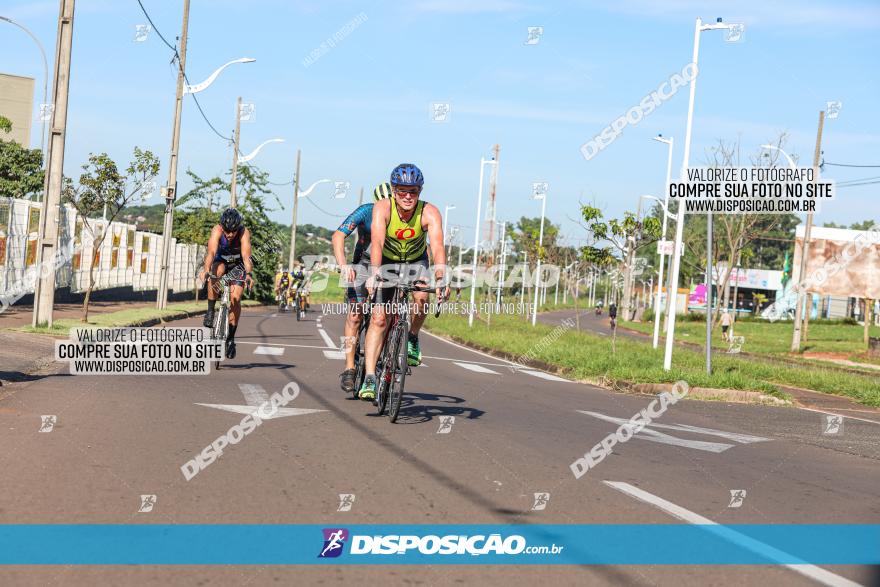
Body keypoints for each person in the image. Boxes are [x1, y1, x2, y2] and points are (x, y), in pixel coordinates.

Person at [359, 164, 449, 400]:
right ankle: (369, 376)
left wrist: (441, 278)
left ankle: (412, 336)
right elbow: (377, 242)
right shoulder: (383, 208)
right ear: (393, 190)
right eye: (402, 191)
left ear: (420, 191)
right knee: (379, 319)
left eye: (413, 191)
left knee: (421, 297)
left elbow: (438, 247)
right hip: (387, 261)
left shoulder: (430, 212)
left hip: (415, 262)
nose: (408, 197)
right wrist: (374, 273)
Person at [332, 182, 392, 394]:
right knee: (355, 316)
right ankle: (349, 367)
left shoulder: (401, 217)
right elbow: (338, 235)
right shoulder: (365, 211)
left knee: (383, 317)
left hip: (389, 267)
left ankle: (381, 358)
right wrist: (343, 265)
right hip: (363, 264)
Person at [201, 208, 254, 359]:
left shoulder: (244, 232)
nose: (230, 234)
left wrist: (249, 274)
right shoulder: (217, 230)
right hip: (221, 261)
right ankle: (210, 311)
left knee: (235, 298)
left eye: (233, 231)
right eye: (227, 231)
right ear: (222, 227)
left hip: (238, 265)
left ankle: (230, 339)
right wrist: (206, 269)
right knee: (215, 272)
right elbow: (211, 252)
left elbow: (246, 256)